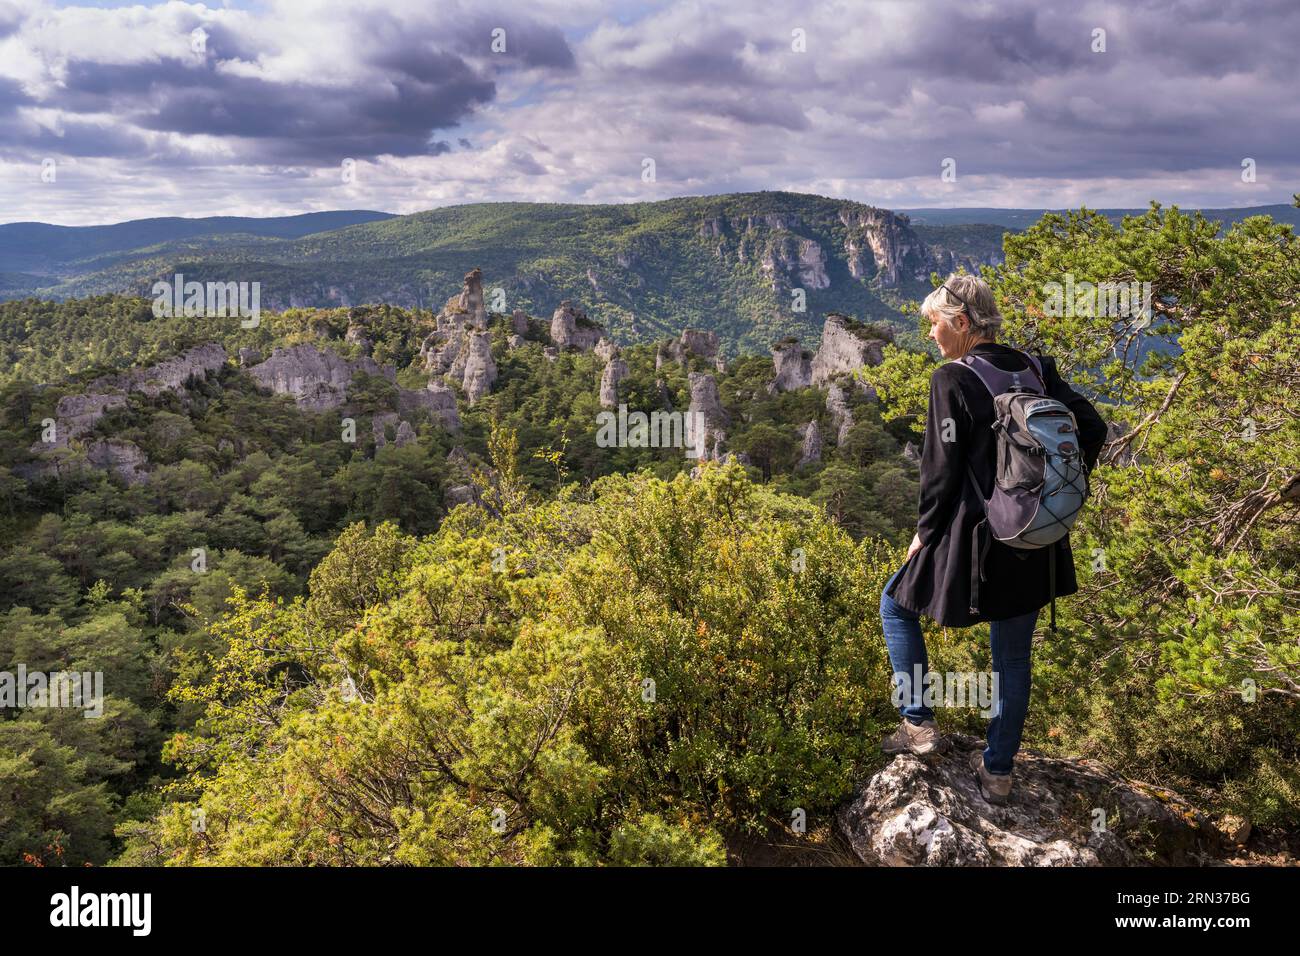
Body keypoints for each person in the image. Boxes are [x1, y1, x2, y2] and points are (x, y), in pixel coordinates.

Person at [878, 273, 1107, 804]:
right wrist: (1053, 491)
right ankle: (998, 773)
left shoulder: (951, 379)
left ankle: (918, 727)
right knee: (1012, 657)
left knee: (895, 605)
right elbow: (1092, 429)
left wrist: (924, 535)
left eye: (934, 323)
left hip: (977, 539)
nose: (930, 334)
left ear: (961, 323)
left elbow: (939, 472)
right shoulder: (1035, 367)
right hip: (1036, 535)